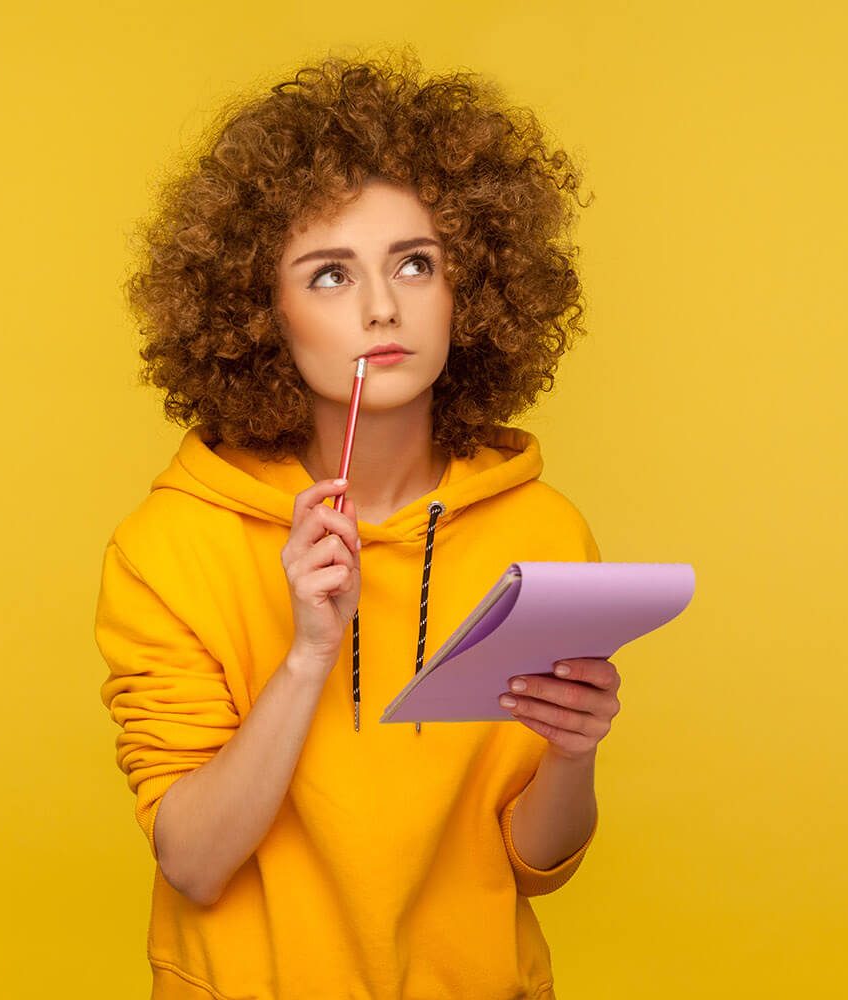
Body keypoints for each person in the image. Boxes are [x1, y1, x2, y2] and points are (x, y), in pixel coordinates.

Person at [94, 48, 623, 1000]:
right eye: (331, 276)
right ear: (262, 313)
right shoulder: (167, 548)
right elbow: (195, 863)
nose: (383, 308)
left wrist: (573, 749)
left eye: (415, 264)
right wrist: (308, 652)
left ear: (470, 290)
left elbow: (539, 864)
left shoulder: (544, 534)